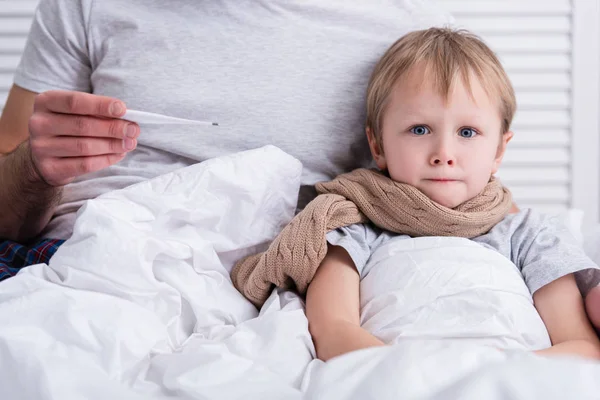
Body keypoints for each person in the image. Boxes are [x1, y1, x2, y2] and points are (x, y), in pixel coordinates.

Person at [1, 0, 600, 339]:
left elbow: (467, 200)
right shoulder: (82, 5)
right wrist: (35, 165)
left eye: (466, 135)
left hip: (272, 290)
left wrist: (577, 278)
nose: (445, 147)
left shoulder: (407, 28)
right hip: (80, 261)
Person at [230, 28, 600, 361]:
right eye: (419, 129)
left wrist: (488, 374)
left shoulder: (530, 236)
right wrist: (421, 374)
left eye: (468, 132)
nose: (444, 153)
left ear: (499, 152)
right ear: (378, 146)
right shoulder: (350, 229)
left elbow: (580, 348)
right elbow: (333, 333)